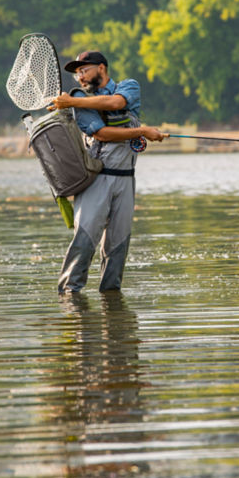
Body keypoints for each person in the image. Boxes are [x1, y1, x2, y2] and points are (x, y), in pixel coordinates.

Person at [50, 50, 167, 295]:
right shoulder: (80, 97)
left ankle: (112, 305)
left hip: (126, 179)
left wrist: (71, 102)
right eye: (77, 73)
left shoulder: (128, 86)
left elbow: (116, 103)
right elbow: (101, 133)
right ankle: (70, 298)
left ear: (101, 68)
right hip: (97, 179)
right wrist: (142, 131)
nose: (80, 77)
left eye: (84, 70)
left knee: (118, 247)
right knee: (84, 241)